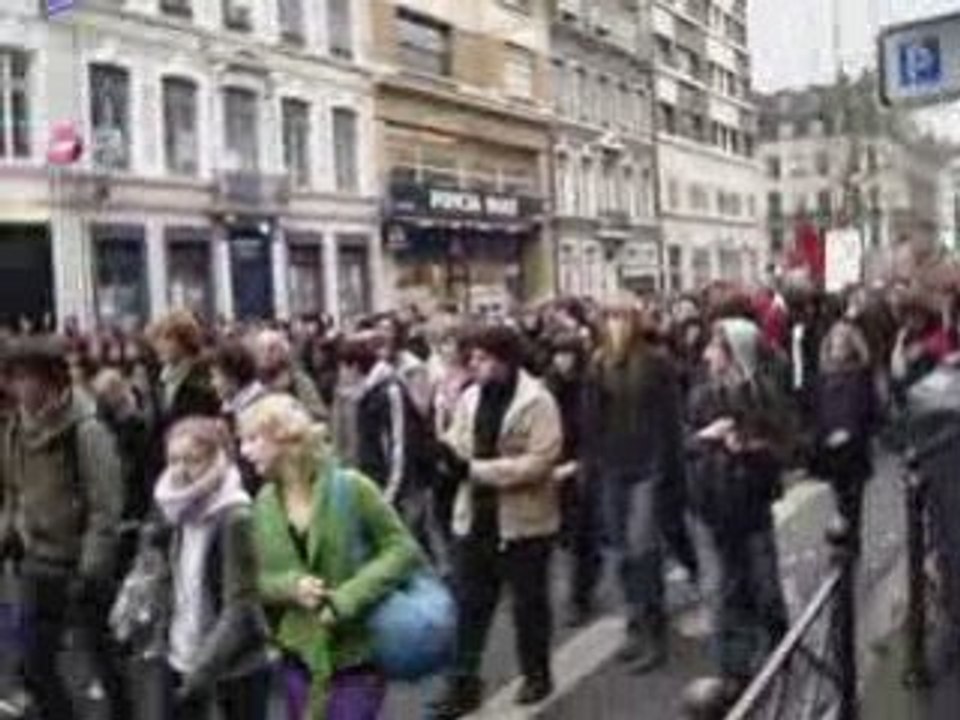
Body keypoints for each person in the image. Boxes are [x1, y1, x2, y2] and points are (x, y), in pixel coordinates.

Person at [239, 394, 422, 720]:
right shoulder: (264, 502)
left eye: (253, 439)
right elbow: (254, 580)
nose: (244, 451)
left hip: (356, 657)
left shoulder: (352, 487)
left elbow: (403, 550)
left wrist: (348, 597)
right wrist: (290, 587)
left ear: (283, 439)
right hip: (298, 658)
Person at [430, 326, 563, 718]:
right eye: (473, 358)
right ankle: (463, 685)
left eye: (484, 358)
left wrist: (476, 470)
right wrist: (444, 454)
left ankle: (536, 674)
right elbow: (458, 439)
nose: (475, 364)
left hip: (523, 522)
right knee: (470, 608)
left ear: (505, 360)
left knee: (528, 606)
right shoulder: (471, 397)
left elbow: (540, 461)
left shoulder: (537, 401)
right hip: (474, 519)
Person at [0, 337, 126, 720]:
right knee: (35, 665)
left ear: (52, 379)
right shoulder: (15, 428)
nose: (16, 387)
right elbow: (14, 492)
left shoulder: (85, 431)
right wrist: (8, 534)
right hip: (37, 562)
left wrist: (90, 569)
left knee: (103, 660)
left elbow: (106, 507)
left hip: (79, 568)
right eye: (13, 378)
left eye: (26, 378)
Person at [686, 317, 792, 707]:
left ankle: (780, 640)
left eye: (715, 348)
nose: (706, 354)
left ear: (733, 354)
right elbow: (686, 445)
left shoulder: (762, 393)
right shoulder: (701, 397)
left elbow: (787, 448)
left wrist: (751, 448)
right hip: (710, 507)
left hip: (750, 506)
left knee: (762, 584)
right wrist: (705, 439)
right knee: (722, 590)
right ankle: (732, 672)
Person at [587, 303, 686, 674]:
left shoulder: (656, 363)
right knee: (621, 552)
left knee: (644, 548)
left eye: (623, 317)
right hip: (613, 467)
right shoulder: (598, 364)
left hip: (648, 466)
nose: (616, 325)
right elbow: (591, 421)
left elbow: (670, 420)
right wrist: (591, 466)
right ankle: (634, 621)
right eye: (610, 317)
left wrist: (668, 470)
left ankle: (653, 631)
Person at [150, 417, 271, 720]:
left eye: (192, 460)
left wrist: (202, 670)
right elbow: (180, 584)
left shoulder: (234, 517)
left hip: (232, 664)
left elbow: (240, 605)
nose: (180, 471)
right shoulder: (179, 510)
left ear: (218, 461)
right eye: (173, 460)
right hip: (182, 653)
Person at [814, 318, 878, 554]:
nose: (837, 347)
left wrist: (852, 432)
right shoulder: (823, 376)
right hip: (830, 446)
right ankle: (845, 535)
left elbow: (870, 411)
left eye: (843, 342)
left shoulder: (861, 374)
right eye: (834, 342)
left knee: (853, 497)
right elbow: (817, 408)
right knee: (839, 494)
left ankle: (851, 540)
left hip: (854, 447)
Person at [252, 329, 328, 421]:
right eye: (261, 349)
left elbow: (320, 415)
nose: (266, 354)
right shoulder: (254, 383)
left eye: (272, 349)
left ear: (283, 352)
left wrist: (292, 410)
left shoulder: (299, 381)